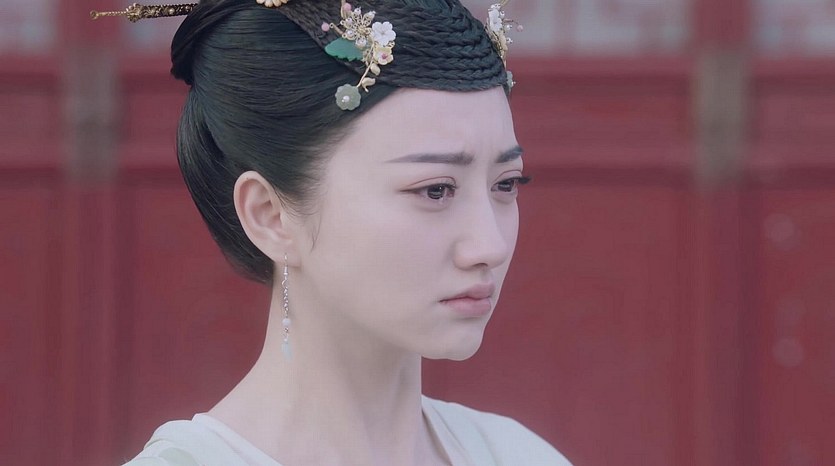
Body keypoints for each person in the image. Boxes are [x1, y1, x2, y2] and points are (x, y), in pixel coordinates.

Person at [101, 0, 573, 464]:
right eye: (435, 190)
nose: (489, 246)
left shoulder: (518, 455)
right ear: (271, 215)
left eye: (506, 184)